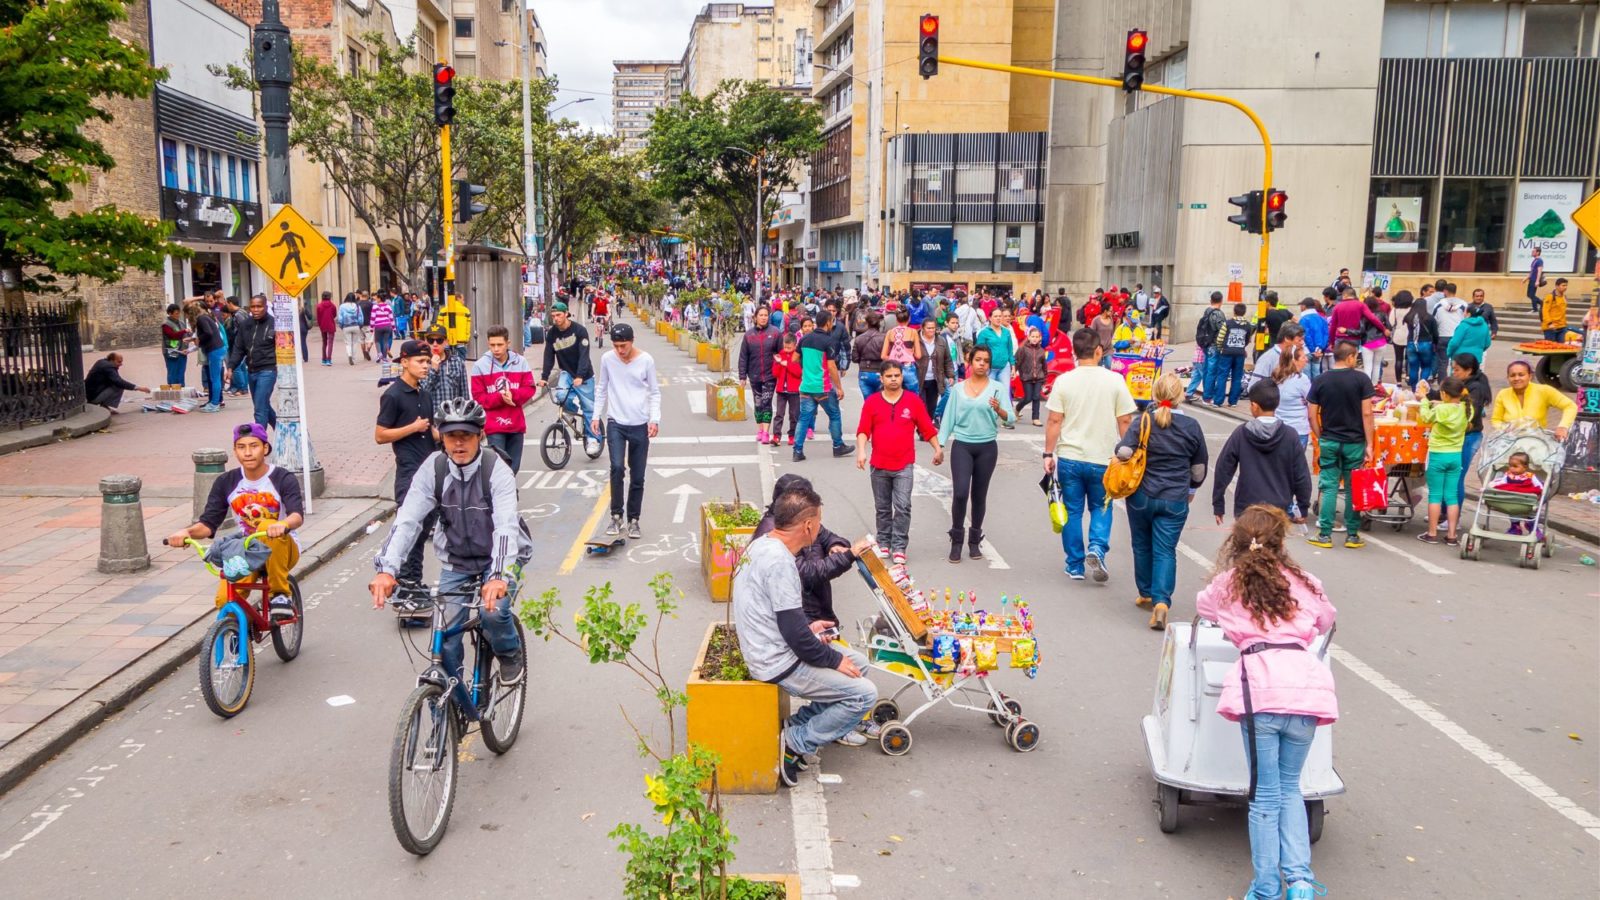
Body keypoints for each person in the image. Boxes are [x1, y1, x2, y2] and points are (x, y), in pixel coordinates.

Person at [1194, 506, 1337, 900]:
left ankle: (1267, 887)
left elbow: (1204, 607)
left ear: (1237, 541)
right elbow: (1326, 620)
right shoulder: (1305, 581)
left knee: (1264, 796)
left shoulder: (1229, 584)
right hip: (1307, 689)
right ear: (1281, 539)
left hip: (1261, 691)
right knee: (1291, 789)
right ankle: (1301, 883)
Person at [370, 398, 532, 703]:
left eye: (466, 435)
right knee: (444, 638)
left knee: (493, 612)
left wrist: (498, 576)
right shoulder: (434, 469)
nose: (458, 443)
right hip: (457, 562)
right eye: (450, 436)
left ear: (480, 435)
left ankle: (510, 653)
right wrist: (387, 570)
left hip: (500, 558)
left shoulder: (496, 470)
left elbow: (506, 526)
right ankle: (450, 707)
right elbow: (407, 520)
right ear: (441, 437)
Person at [732, 486, 878, 786]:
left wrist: (810, 630)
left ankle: (797, 724)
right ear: (808, 525)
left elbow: (783, 619)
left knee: (859, 665)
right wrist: (832, 659)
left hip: (772, 644)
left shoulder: (762, 545)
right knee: (863, 695)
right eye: (819, 521)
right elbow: (795, 636)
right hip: (776, 660)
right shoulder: (780, 562)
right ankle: (795, 743)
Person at [166, 423, 305, 622]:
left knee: (266, 526)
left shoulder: (282, 478)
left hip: (282, 549)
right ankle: (244, 630)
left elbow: (296, 516)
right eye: (241, 447)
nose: (247, 453)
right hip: (248, 550)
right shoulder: (226, 481)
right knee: (225, 601)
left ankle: (280, 595)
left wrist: (283, 525)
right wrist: (186, 533)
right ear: (235, 451)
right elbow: (207, 524)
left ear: (265, 448)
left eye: (254, 446)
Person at [1116, 375, 1207, 630]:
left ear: (1155, 395)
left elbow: (1123, 452)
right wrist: (1192, 489)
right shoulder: (1192, 426)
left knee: (1141, 544)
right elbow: (1198, 469)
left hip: (1142, 495)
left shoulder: (1143, 421)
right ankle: (1161, 603)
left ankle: (1145, 593)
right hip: (1175, 497)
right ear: (1180, 396)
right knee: (1166, 550)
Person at [1044, 329, 1136, 582]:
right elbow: (1125, 420)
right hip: (1104, 458)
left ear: (1074, 352)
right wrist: (1127, 454)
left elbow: (1054, 420)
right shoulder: (1115, 380)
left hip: (1070, 457)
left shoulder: (1064, 381)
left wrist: (1048, 453)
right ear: (1098, 351)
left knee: (1072, 511)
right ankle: (1097, 548)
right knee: (1101, 506)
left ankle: (1075, 565)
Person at [856, 360, 943, 566]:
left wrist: (937, 448)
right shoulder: (872, 402)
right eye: (889, 376)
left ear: (902, 377)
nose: (893, 379)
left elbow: (926, 427)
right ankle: (883, 542)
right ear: (881, 378)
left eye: (897, 375)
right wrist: (861, 451)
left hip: (904, 464)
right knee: (882, 507)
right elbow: (863, 430)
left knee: (903, 506)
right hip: (879, 464)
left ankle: (899, 546)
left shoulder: (913, 401)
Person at [938, 346, 1015, 563]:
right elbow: (948, 418)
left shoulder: (998, 389)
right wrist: (940, 446)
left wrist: (999, 410)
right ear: (970, 362)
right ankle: (956, 540)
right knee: (961, 493)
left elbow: (1010, 418)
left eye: (986, 361)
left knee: (979, 496)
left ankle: (974, 540)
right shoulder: (958, 389)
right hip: (962, 446)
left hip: (987, 448)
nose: (982, 364)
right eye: (978, 359)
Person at [375, 340, 437, 607]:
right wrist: (412, 428)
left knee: (423, 530)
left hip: (430, 470)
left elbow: (430, 430)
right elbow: (380, 435)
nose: (426, 366)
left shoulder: (425, 394)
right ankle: (405, 585)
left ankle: (413, 581)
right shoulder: (393, 395)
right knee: (410, 528)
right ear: (404, 362)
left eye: (428, 361)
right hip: (409, 471)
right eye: (420, 361)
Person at [592, 323, 661, 538]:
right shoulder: (607, 359)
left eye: (623, 345)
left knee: (637, 475)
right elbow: (602, 388)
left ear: (632, 341)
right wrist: (595, 415)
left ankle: (634, 519)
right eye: (616, 346)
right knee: (616, 468)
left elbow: (654, 392)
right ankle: (616, 516)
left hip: (639, 423)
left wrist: (654, 419)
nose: (620, 350)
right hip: (616, 422)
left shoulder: (646, 360)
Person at [1214, 379, 1313, 528]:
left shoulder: (1241, 433)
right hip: (1278, 508)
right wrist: (1302, 506)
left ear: (1254, 406)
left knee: (1247, 542)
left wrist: (1218, 504)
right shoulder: (1290, 435)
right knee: (1273, 542)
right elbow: (1301, 474)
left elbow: (1223, 468)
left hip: (1247, 506)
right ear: (1277, 404)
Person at [1306, 342, 1375, 550]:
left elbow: (1311, 415)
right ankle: (1352, 534)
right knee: (1353, 487)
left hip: (1330, 440)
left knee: (1329, 486)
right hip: (1354, 442)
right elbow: (1367, 413)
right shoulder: (1361, 380)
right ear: (1350, 357)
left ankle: (1325, 534)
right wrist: (1370, 444)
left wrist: (1321, 435)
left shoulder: (1321, 380)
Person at [470, 324, 536, 474]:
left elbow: (530, 388)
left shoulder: (521, 362)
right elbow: (478, 397)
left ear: (508, 343)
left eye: (500, 345)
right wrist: (500, 398)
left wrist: (514, 394)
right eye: (492, 345)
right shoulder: (480, 366)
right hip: (494, 425)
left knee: (514, 468)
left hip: (516, 424)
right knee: (499, 468)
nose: (496, 349)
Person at [1413, 377, 1470, 545]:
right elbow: (1451, 407)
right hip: (1455, 455)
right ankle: (1452, 535)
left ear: (1444, 394)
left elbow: (1425, 417)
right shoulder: (1466, 408)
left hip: (1438, 455)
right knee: (1451, 496)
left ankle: (1432, 533)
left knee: (1435, 495)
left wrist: (1424, 400)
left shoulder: (1441, 410)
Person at [539, 302, 599, 453]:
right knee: (560, 396)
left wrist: (580, 376)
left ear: (566, 313)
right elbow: (548, 355)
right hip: (566, 373)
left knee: (588, 408)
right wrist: (544, 377)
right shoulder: (552, 334)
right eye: (553, 316)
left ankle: (593, 439)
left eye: (558, 315)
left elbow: (584, 355)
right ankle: (571, 412)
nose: (556, 319)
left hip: (584, 375)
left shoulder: (579, 331)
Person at [794, 309, 849, 462]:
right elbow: (831, 367)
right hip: (823, 387)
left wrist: (807, 367)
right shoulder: (828, 341)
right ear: (828, 323)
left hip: (806, 386)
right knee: (834, 415)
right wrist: (839, 387)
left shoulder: (804, 339)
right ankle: (838, 446)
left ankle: (797, 451)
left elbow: (794, 358)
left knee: (803, 419)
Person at [1491, 360, 1577, 442]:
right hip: (1510, 442)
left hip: (1537, 442)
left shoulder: (1544, 391)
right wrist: (1505, 428)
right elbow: (1496, 420)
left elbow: (1570, 406)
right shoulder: (1503, 394)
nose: (1516, 378)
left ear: (1530, 376)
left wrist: (1563, 426)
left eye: (1521, 375)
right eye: (1512, 375)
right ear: (1508, 378)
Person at [228, 294, 278, 429]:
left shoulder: (274, 324)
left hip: (268, 370)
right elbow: (238, 348)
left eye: (259, 306)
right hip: (252, 371)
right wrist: (231, 367)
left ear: (265, 307)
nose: (255, 310)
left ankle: (259, 439)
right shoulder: (246, 325)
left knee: (259, 409)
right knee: (262, 404)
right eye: (253, 307)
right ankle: (282, 430)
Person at [738, 304, 783, 444]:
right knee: (758, 404)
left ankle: (766, 432)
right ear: (755, 317)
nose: (763, 318)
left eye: (766, 315)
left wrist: (780, 365)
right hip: (754, 375)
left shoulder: (775, 333)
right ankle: (760, 429)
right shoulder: (749, 335)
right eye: (761, 315)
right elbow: (743, 357)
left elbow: (781, 353)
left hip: (770, 375)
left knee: (766, 402)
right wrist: (742, 376)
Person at [1210, 303, 1255, 407]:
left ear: (1234, 311)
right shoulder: (1248, 325)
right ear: (1244, 312)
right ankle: (1233, 401)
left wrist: (1221, 348)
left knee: (1222, 376)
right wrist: (1242, 347)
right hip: (1240, 353)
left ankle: (1218, 401)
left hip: (1226, 353)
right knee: (1237, 377)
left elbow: (1220, 338)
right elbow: (1248, 339)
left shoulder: (1227, 323)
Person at [1272, 346, 1314, 449]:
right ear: (1294, 360)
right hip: (1298, 429)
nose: (1306, 359)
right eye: (1303, 357)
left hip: (1278, 428)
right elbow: (1312, 403)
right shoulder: (1302, 379)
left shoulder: (1276, 376)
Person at [188, 300, 226, 413]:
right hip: (217, 348)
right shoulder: (207, 316)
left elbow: (208, 333)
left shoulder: (201, 318)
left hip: (214, 349)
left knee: (215, 378)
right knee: (215, 378)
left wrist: (199, 340)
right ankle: (214, 401)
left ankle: (214, 403)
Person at [1244, 321, 1303, 393]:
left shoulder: (1296, 356)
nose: (1302, 343)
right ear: (1287, 339)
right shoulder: (1268, 358)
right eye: (1299, 340)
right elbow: (1253, 387)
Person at [1189, 292, 1227, 401]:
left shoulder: (1207, 311)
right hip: (1214, 345)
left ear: (1211, 300)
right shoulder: (1218, 314)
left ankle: (1206, 394)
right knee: (1212, 372)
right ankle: (1208, 397)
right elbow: (1222, 331)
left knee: (1206, 370)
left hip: (1206, 345)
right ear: (1221, 301)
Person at [84, 352, 151, 412]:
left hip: (91, 394)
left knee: (116, 384)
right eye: (119, 362)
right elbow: (119, 382)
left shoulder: (102, 362)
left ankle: (105, 406)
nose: (121, 364)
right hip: (93, 397)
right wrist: (139, 388)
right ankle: (104, 407)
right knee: (118, 386)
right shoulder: (108, 367)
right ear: (111, 360)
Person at [422, 326, 469, 410]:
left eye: (439, 340)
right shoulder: (422, 363)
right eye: (431, 340)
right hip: (431, 414)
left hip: (453, 415)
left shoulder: (457, 362)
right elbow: (422, 393)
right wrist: (433, 370)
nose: (435, 344)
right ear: (426, 342)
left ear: (446, 342)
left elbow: (464, 394)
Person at [1013, 326, 1049, 426]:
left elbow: (1044, 365)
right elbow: (1017, 361)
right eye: (1033, 336)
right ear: (1028, 337)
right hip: (1026, 377)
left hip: (1039, 377)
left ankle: (1035, 418)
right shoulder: (1023, 349)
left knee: (1036, 397)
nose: (1035, 339)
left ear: (1040, 338)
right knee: (1028, 397)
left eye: (1037, 337)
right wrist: (1014, 371)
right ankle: (1017, 408)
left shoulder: (1041, 351)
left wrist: (1045, 377)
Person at [975, 306, 1017, 387]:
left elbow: (1010, 350)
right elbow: (979, 352)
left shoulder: (1006, 332)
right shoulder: (984, 333)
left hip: (1004, 367)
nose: (998, 318)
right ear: (990, 318)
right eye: (995, 316)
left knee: (1004, 392)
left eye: (1000, 316)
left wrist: (1013, 366)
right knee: (988, 391)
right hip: (989, 368)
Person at [1403, 293, 1438, 386]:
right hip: (1426, 344)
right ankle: (1421, 386)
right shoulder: (1430, 318)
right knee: (1426, 367)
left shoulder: (1408, 317)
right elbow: (1435, 333)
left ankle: (1414, 388)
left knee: (1413, 367)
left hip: (1411, 344)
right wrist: (1435, 343)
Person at [852, 310, 887, 399]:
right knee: (881, 401)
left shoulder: (859, 338)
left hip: (864, 371)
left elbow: (855, 358)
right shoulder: (884, 338)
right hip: (880, 371)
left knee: (868, 402)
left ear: (867, 323)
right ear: (879, 323)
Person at [1297, 298, 1329, 380]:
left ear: (1304, 306)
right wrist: (1320, 349)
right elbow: (1326, 334)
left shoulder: (1303, 319)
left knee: (1306, 376)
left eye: (1301, 305)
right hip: (1319, 351)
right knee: (1317, 374)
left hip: (1307, 350)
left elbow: (1305, 336)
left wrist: (1313, 350)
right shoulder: (1322, 319)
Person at [160, 304, 190, 387]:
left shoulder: (181, 323)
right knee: (173, 372)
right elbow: (172, 335)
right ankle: (173, 389)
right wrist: (184, 331)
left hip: (182, 350)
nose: (178, 315)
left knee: (181, 371)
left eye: (179, 313)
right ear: (170, 313)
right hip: (171, 351)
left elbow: (186, 335)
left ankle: (181, 388)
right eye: (176, 313)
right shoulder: (166, 324)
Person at [337, 293, 363, 365]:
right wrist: (360, 325)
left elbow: (340, 318)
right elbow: (360, 317)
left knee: (348, 343)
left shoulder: (342, 306)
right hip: (356, 326)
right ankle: (353, 359)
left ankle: (349, 355)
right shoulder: (357, 306)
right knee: (355, 343)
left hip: (346, 326)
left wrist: (341, 325)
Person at [1541, 278, 1569, 342]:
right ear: (1557, 286)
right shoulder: (1550, 297)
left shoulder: (1564, 297)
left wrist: (1565, 324)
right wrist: (1549, 323)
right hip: (1551, 327)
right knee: (1551, 346)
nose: (1565, 287)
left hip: (1562, 326)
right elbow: (1545, 311)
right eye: (1563, 285)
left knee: (1561, 346)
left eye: (1566, 285)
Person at [315, 292, 337, 367]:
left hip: (323, 325)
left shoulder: (319, 306)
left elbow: (318, 317)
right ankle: (329, 360)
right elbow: (334, 315)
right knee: (330, 342)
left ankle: (324, 359)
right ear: (329, 297)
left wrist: (320, 325)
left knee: (324, 342)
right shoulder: (333, 305)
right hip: (331, 325)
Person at [1526, 246, 1545, 313]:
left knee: (1531, 295)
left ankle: (1535, 308)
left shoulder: (1539, 261)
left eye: (1533, 251)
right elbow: (1532, 271)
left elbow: (1539, 271)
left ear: (1538, 252)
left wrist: (1537, 281)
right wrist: (1526, 278)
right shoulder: (1535, 260)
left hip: (1534, 280)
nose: (1532, 252)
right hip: (1531, 279)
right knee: (1529, 294)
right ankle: (1541, 303)